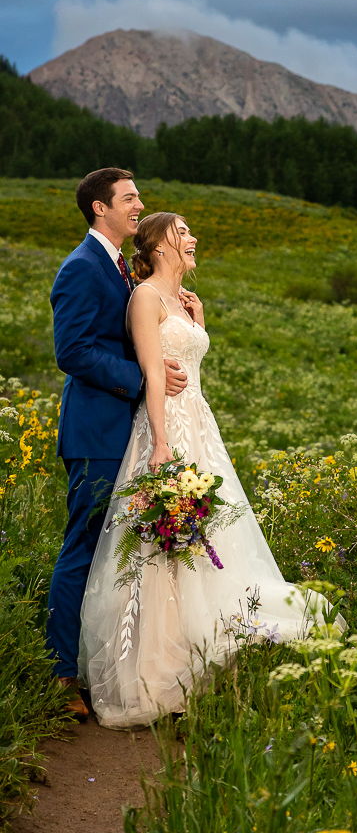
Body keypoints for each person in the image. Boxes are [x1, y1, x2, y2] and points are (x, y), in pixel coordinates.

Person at [78, 211, 336, 729]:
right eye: (183, 232)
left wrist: (199, 327)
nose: (192, 237)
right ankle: (160, 668)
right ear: (156, 245)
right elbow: (154, 375)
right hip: (168, 430)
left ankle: (204, 654)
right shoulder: (146, 298)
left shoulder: (182, 302)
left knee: (213, 538)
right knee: (163, 546)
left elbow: (190, 366)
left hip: (202, 427)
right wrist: (161, 446)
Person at [47, 169, 188, 722]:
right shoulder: (81, 268)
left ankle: (114, 665)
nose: (140, 206)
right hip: (96, 432)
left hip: (125, 432)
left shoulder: (118, 268)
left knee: (119, 553)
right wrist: (143, 377)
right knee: (82, 546)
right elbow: (73, 351)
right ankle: (60, 674)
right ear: (99, 208)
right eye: (130, 199)